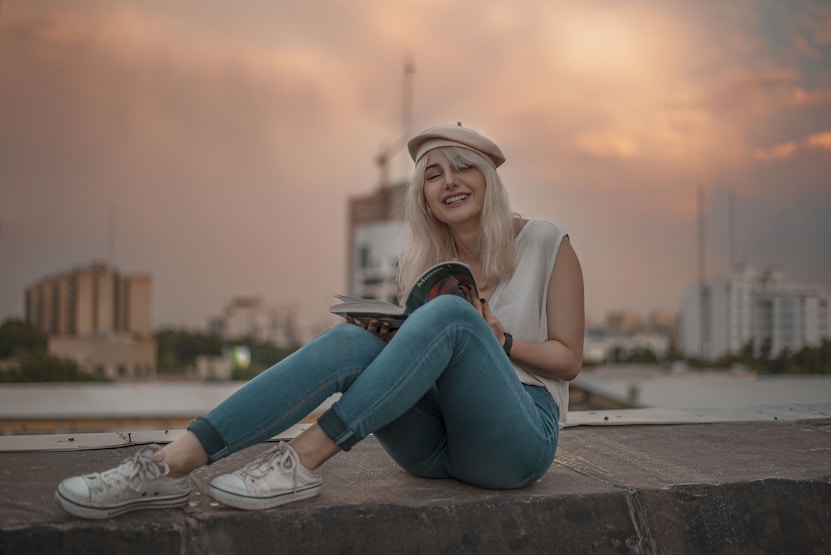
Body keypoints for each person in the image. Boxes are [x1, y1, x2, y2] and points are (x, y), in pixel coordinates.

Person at [55, 123, 585, 519]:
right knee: (355, 340)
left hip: (515, 442)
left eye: (462, 167)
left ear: (488, 178)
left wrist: (501, 339)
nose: (449, 183)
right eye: (433, 175)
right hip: (433, 444)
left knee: (450, 313)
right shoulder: (417, 264)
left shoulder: (544, 241)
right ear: (423, 197)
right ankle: (168, 465)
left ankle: (300, 460)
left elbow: (570, 359)